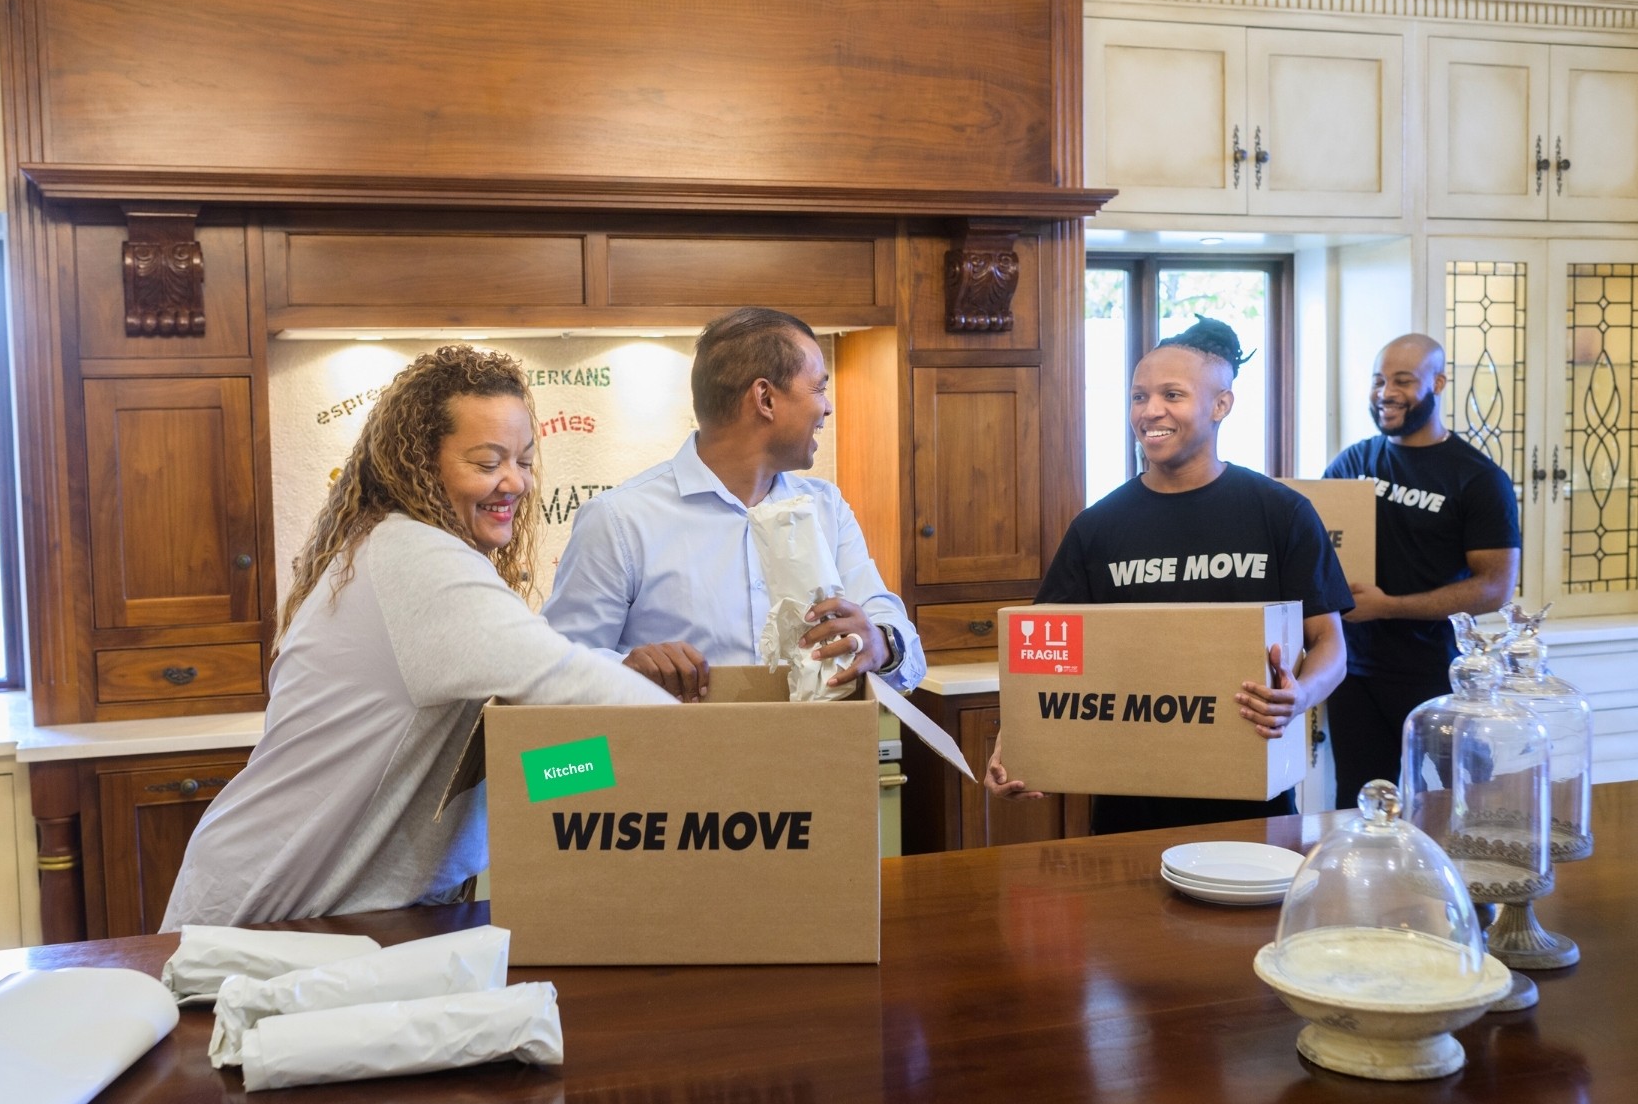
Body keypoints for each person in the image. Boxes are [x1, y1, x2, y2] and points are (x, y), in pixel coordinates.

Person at [162, 346, 672, 931]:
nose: (515, 482)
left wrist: (614, 756)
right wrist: (723, 746)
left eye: (524, 460)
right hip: (267, 912)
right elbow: (565, 678)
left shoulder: (401, 553)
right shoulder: (415, 558)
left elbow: (513, 776)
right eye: (486, 462)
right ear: (420, 465)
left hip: (344, 921)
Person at [987, 316, 1352, 834]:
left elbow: (1331, 646)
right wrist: (1013, 747)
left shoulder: (1281, 514)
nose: (1150, 411)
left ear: (1220, 405)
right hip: (1127, 809)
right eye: (1139, 396)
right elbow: (1043, 655)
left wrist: (1300, 698)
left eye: (1172, 395)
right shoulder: (1098, 528)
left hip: (1251, 804)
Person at [543, 306, 923, 699]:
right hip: (672, 758)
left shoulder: (829, 510)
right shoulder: (618, 521)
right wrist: (624, 668)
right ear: (765, 399)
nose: (827, 407)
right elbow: (552, 671)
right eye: (819, 388)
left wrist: (882, 643)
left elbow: (907, 652)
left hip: (815, 757)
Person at [1322, 333, 1520, 805]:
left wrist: (1388, 607)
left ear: (1439, 383)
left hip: (1435, 676)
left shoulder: (1476, 478)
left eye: (1403, 381)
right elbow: (1317, 547)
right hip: (1352, 674)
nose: (1386, 392)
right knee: (1360, 801)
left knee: (1465, 800)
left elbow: (1495, 586)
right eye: (1379, 380)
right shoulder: (1354, 462)